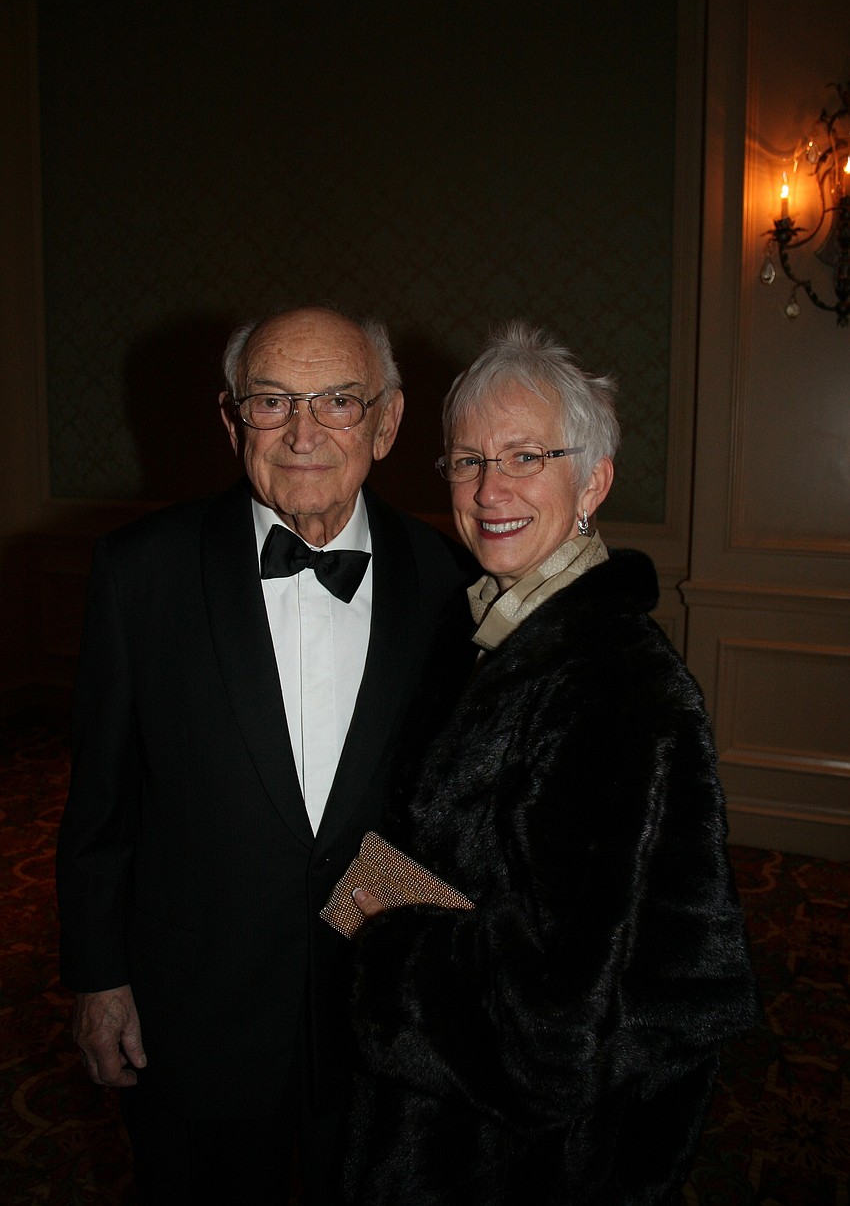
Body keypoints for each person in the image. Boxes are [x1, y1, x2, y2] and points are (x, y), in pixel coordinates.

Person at [56, 305, 476, 1204]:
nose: (303, 431)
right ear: (230, 418)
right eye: (273, 400)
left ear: (387, 420)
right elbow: (100, 804)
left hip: (379, 1015)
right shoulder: (141, 573)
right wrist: (98, 978)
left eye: (336, 400)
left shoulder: (452, 585)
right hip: (194, 1013)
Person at [347, 321, 761, 1205]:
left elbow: (544, 1035)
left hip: (536, 1160)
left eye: (525, 455)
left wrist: (381, 931)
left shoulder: (611, 687)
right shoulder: (493, 633)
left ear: (594, 482)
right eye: (465, 460)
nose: (489, 488)